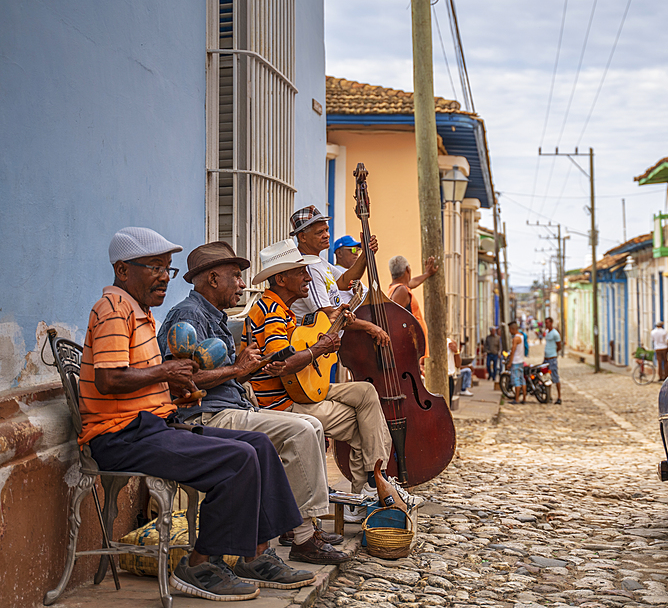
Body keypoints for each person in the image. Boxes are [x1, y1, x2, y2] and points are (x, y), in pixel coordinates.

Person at [81, 227, 307, 601]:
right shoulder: (112, 310)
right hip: (120, 435)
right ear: (123, 270)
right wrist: (165, 373)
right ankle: (199, 565)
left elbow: (140, 380)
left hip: (152, 426)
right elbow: (108, 379)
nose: (162, 278)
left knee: (260, 445)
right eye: (153, 267)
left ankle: (256, 555)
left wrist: (177, 389)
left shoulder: (141, 313)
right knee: (237, 459)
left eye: (166, 269)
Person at [158, 241, 349, 566]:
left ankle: (302, 530)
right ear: (213, 279)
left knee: (312, 426)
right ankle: (302, 537)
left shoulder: (214, 317)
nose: (243, 284)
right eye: (235, 276)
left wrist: (249, 370)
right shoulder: (188, 315)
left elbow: (225, 376)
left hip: (231, 408)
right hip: (205, 416)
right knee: (302, 431)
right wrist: (238, 369)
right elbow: (174, 382)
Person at [242, 239, 424, 521]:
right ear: (280, 278)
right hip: (283, 403)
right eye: (300, 272)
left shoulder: (288, 312)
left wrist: (321, 343)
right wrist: (320, 349)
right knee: (363, 424)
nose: (307, 277)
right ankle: (373, 487)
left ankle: (367, 489)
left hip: (303, 391)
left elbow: (298, 350)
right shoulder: (270, 312)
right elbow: (283, 364)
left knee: (365, 393)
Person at [287, 206, 390, 383]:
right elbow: (326, 315)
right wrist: (370, 326)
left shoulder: (319, 261)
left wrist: (365, 254)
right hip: (313, 348)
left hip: (326, 347)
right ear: (302, 237)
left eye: (326, 230)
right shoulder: (307, 267)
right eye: (320, 232)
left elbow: (344, 281)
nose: (326, 235)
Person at [387, 254, 438, 347]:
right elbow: (392, 319)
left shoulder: (398, 288)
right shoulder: (401, 291)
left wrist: (427, 274)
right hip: (412, 347)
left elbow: (412, 282)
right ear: (407, 269)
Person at [543, 317, 563, 405]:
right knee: (546, 378)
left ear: (551, 323)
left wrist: (553, 353)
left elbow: (559, 346)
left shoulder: (555, 334)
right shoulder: (547, 332)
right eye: (545, 323)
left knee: (555, 377)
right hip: (546, 358)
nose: (546, 324)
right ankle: (549, 395)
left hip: (552, 358)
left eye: (547, 323)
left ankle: (559, 397)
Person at [506, 320, 526, 404]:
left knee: (517, 381)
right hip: (521, 361)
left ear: (512, 329)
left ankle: (516, 399)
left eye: (510, 329)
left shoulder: (515, 339)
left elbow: (513, 351)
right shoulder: (521, 336)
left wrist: (509, 363)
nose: (509, 331)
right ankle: (524, 398)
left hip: (516, 362)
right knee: (522, 380)